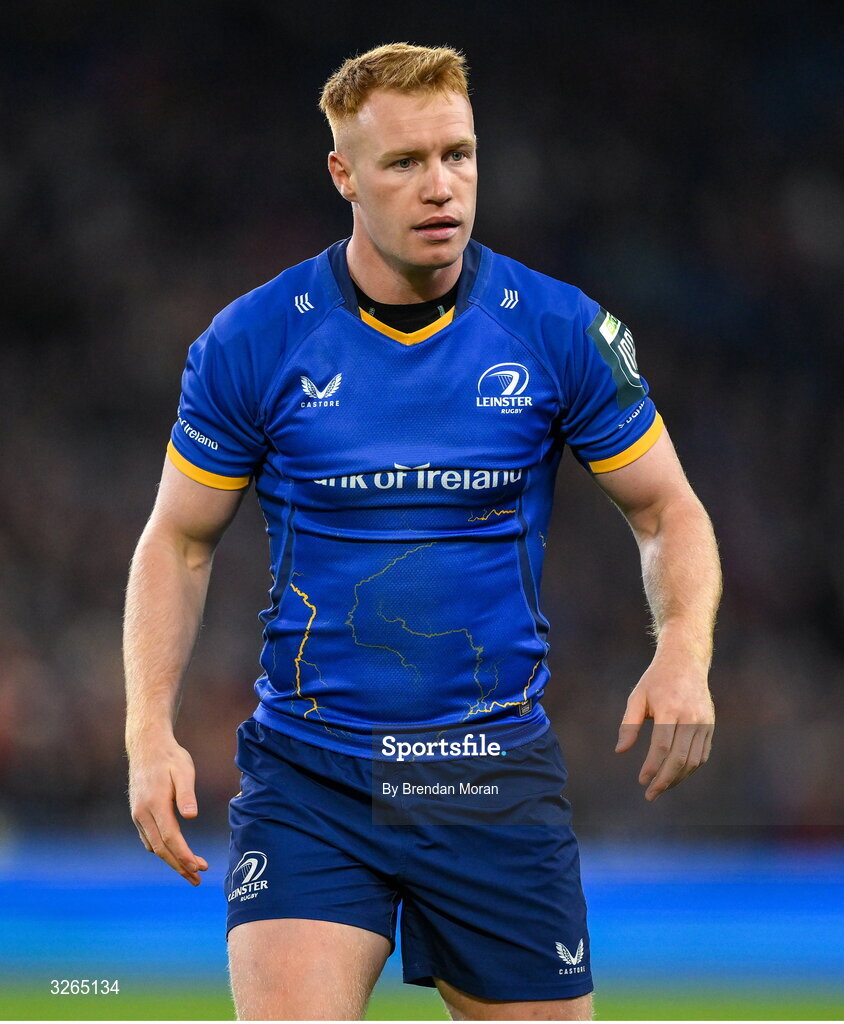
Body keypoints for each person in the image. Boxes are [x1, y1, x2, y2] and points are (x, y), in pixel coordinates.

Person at [124, 43, 721, 1021]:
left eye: (458, 154)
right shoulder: (253, 341)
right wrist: (149, 729)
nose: (440, 185)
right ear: (343, 175)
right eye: (404, 162)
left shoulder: (559, 332)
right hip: (314, 773)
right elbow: (178, 542)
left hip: (490, 773)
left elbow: (668, 511)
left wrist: (684, 652)